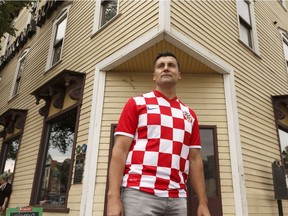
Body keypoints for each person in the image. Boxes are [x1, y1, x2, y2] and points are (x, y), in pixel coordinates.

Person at [107, 51, 211, 216]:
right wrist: (113, 198)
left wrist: (203, 202)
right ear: (154, 76)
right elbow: (119, 151)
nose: (166, 68)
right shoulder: (136, 103)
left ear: (179, 75)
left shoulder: (189, 115)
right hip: (139, 192)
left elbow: (195, 159)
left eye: (171, 65)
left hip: (178, 198)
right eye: (160, 66)